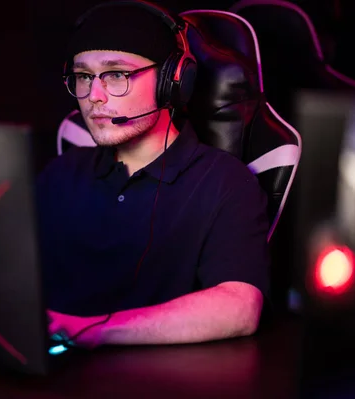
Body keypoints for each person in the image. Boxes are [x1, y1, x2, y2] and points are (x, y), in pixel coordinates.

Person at [36, 0, 270, 349]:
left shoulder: (226, 183)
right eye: (84, 76)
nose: (93, 97)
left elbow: (239, 307)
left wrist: (85, 331)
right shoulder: (62, 172)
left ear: (172, 82)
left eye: (117, 74)